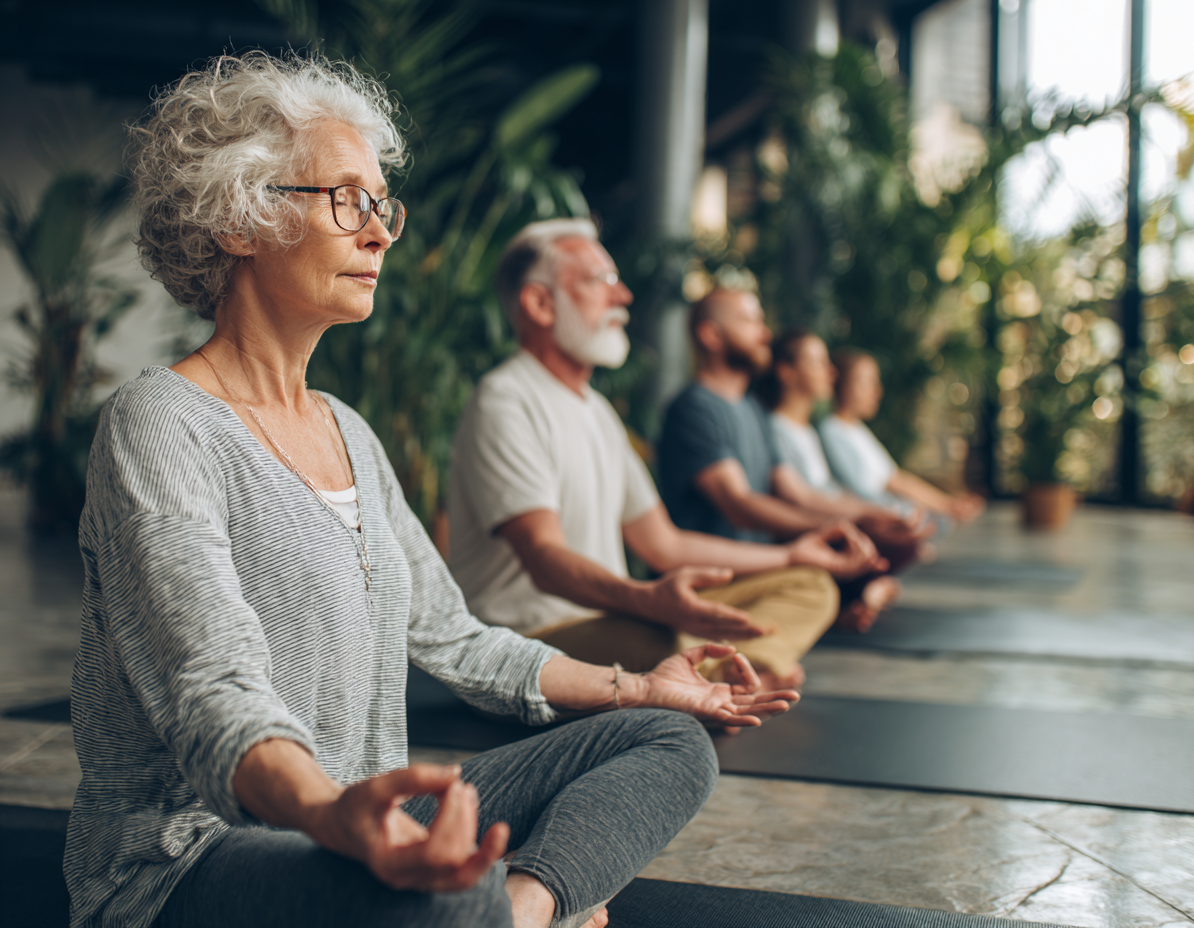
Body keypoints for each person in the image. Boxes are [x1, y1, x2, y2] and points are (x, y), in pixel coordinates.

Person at [67, 53, 799, 928]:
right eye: (345, 199)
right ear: (239, 218)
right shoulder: (160, 421)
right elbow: (208, 687)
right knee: (440, 897)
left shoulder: (349, 431)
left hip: (374, 816)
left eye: (382, 207)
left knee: (669, 742)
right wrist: (327, 815)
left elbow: (455, 639)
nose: (378, 233)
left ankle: (523, 913)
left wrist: (641, 687)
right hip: (192, 858)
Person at [448, 220, 866, 693]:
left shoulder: (598, 411)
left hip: (613, 621)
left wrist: (789, 553)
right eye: (599, 281)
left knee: (808, 585)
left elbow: (662, 543)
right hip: (531, 640)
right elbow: (544, 558)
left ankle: (728, 674)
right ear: (540, 304)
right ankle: (734, 672)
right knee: (663, 634)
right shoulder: (505, 399)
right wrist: (648, 600)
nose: (622, 295)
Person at [658, 289, 927, 633]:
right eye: (749, 320)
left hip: (759, 571)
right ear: (710, 335)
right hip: (715, 580)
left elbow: (798, 493)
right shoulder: (694, 408)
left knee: (857, 564)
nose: (765, 333)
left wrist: (865, 516)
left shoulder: (752, 409)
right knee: (818, 589)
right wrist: (844, 526)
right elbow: (738, 504)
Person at [761, 328, 937, 628]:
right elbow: (801, 497)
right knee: (894, 541)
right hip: (808, 526)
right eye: (816, 362)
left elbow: (830, 490)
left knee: (903, 536)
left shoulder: (808, 430)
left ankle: (860, 594)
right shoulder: (775, 429)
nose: (830, 372)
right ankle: (856, 597)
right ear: (786, 372)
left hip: (829, 517)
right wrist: (866, 516)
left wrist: (876, 513)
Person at [820, 349, 985, 524]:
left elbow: (894, 477)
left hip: (885, 509)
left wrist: (949, 504)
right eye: (866, 382)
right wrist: (947, 506)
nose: (876, 391)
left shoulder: (856, 430)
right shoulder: (832, 431)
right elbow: (889, 483)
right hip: (873, 515)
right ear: (841, 382)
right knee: (935, 523)